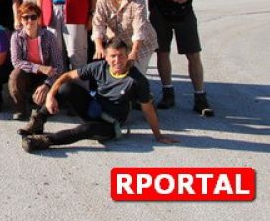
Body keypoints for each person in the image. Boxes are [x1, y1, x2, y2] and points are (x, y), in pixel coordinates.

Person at [19, 39, 178, 153]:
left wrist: (158, 136)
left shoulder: (137, 81)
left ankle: (45, 141)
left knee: (86, 129)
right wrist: (50, 96)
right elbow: (66, 76)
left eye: (121, 55)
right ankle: (38, 122)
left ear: (128, 55)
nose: (117, 60)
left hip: (109, 124)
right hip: (93, 109)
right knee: (67, 87)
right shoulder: (99, 67)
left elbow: (148, 109)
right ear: (106, 57)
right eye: (113, 56)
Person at [93, 0, 158, 76]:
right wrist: (99, 47)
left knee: (136, 75)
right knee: (118, 75)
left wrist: (134, 51)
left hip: (141, 44)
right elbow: (98, 24)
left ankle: (143, 93)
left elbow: (139, 26)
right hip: (118, 44)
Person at [8, 2, 63, 120]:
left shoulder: (49, 36)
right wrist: (38, 67)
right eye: (25, 17)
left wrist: (47, 85)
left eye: (33, 17)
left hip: (45, 77)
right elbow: (16, 61)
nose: (30, 20)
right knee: (15, 76)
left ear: (38, 18)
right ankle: (20, 109)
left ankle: (38, 104)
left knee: (41, 103)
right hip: (27, 74)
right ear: (21, 20)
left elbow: (58, 65)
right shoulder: (16, 37)